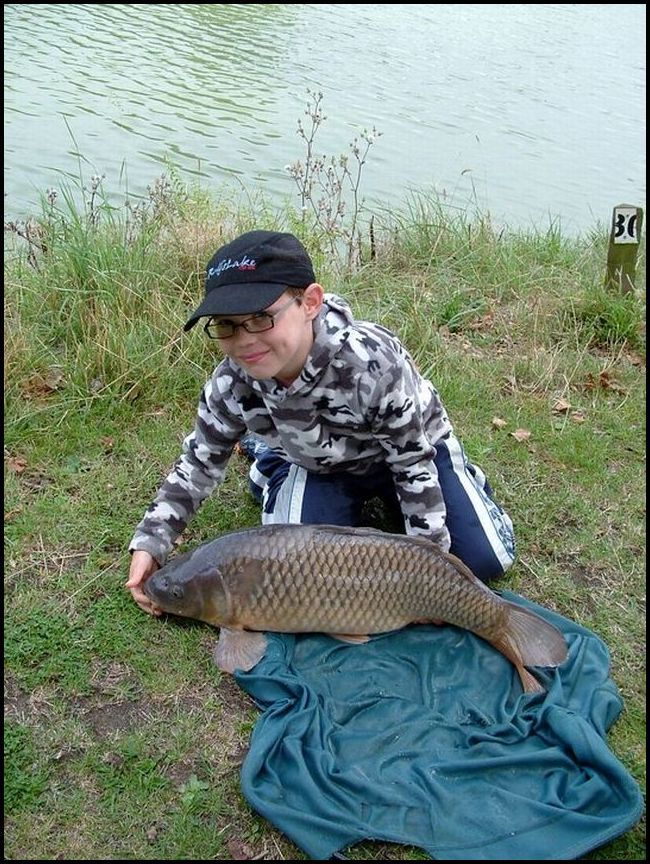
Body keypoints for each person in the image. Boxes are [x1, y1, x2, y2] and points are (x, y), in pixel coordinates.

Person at [127, 229, 515, 615]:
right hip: (320, 465)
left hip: (407, 452)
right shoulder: (231, 381)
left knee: (483, 560)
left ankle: (464, 478)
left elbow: (411, 462)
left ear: (310, 302)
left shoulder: (372, 362)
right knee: (292, 580)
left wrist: (430, 562)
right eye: (227, 325)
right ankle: (272, 464)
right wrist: (151, 542)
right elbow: (198, 464)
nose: (244, 341)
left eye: (261, 318)